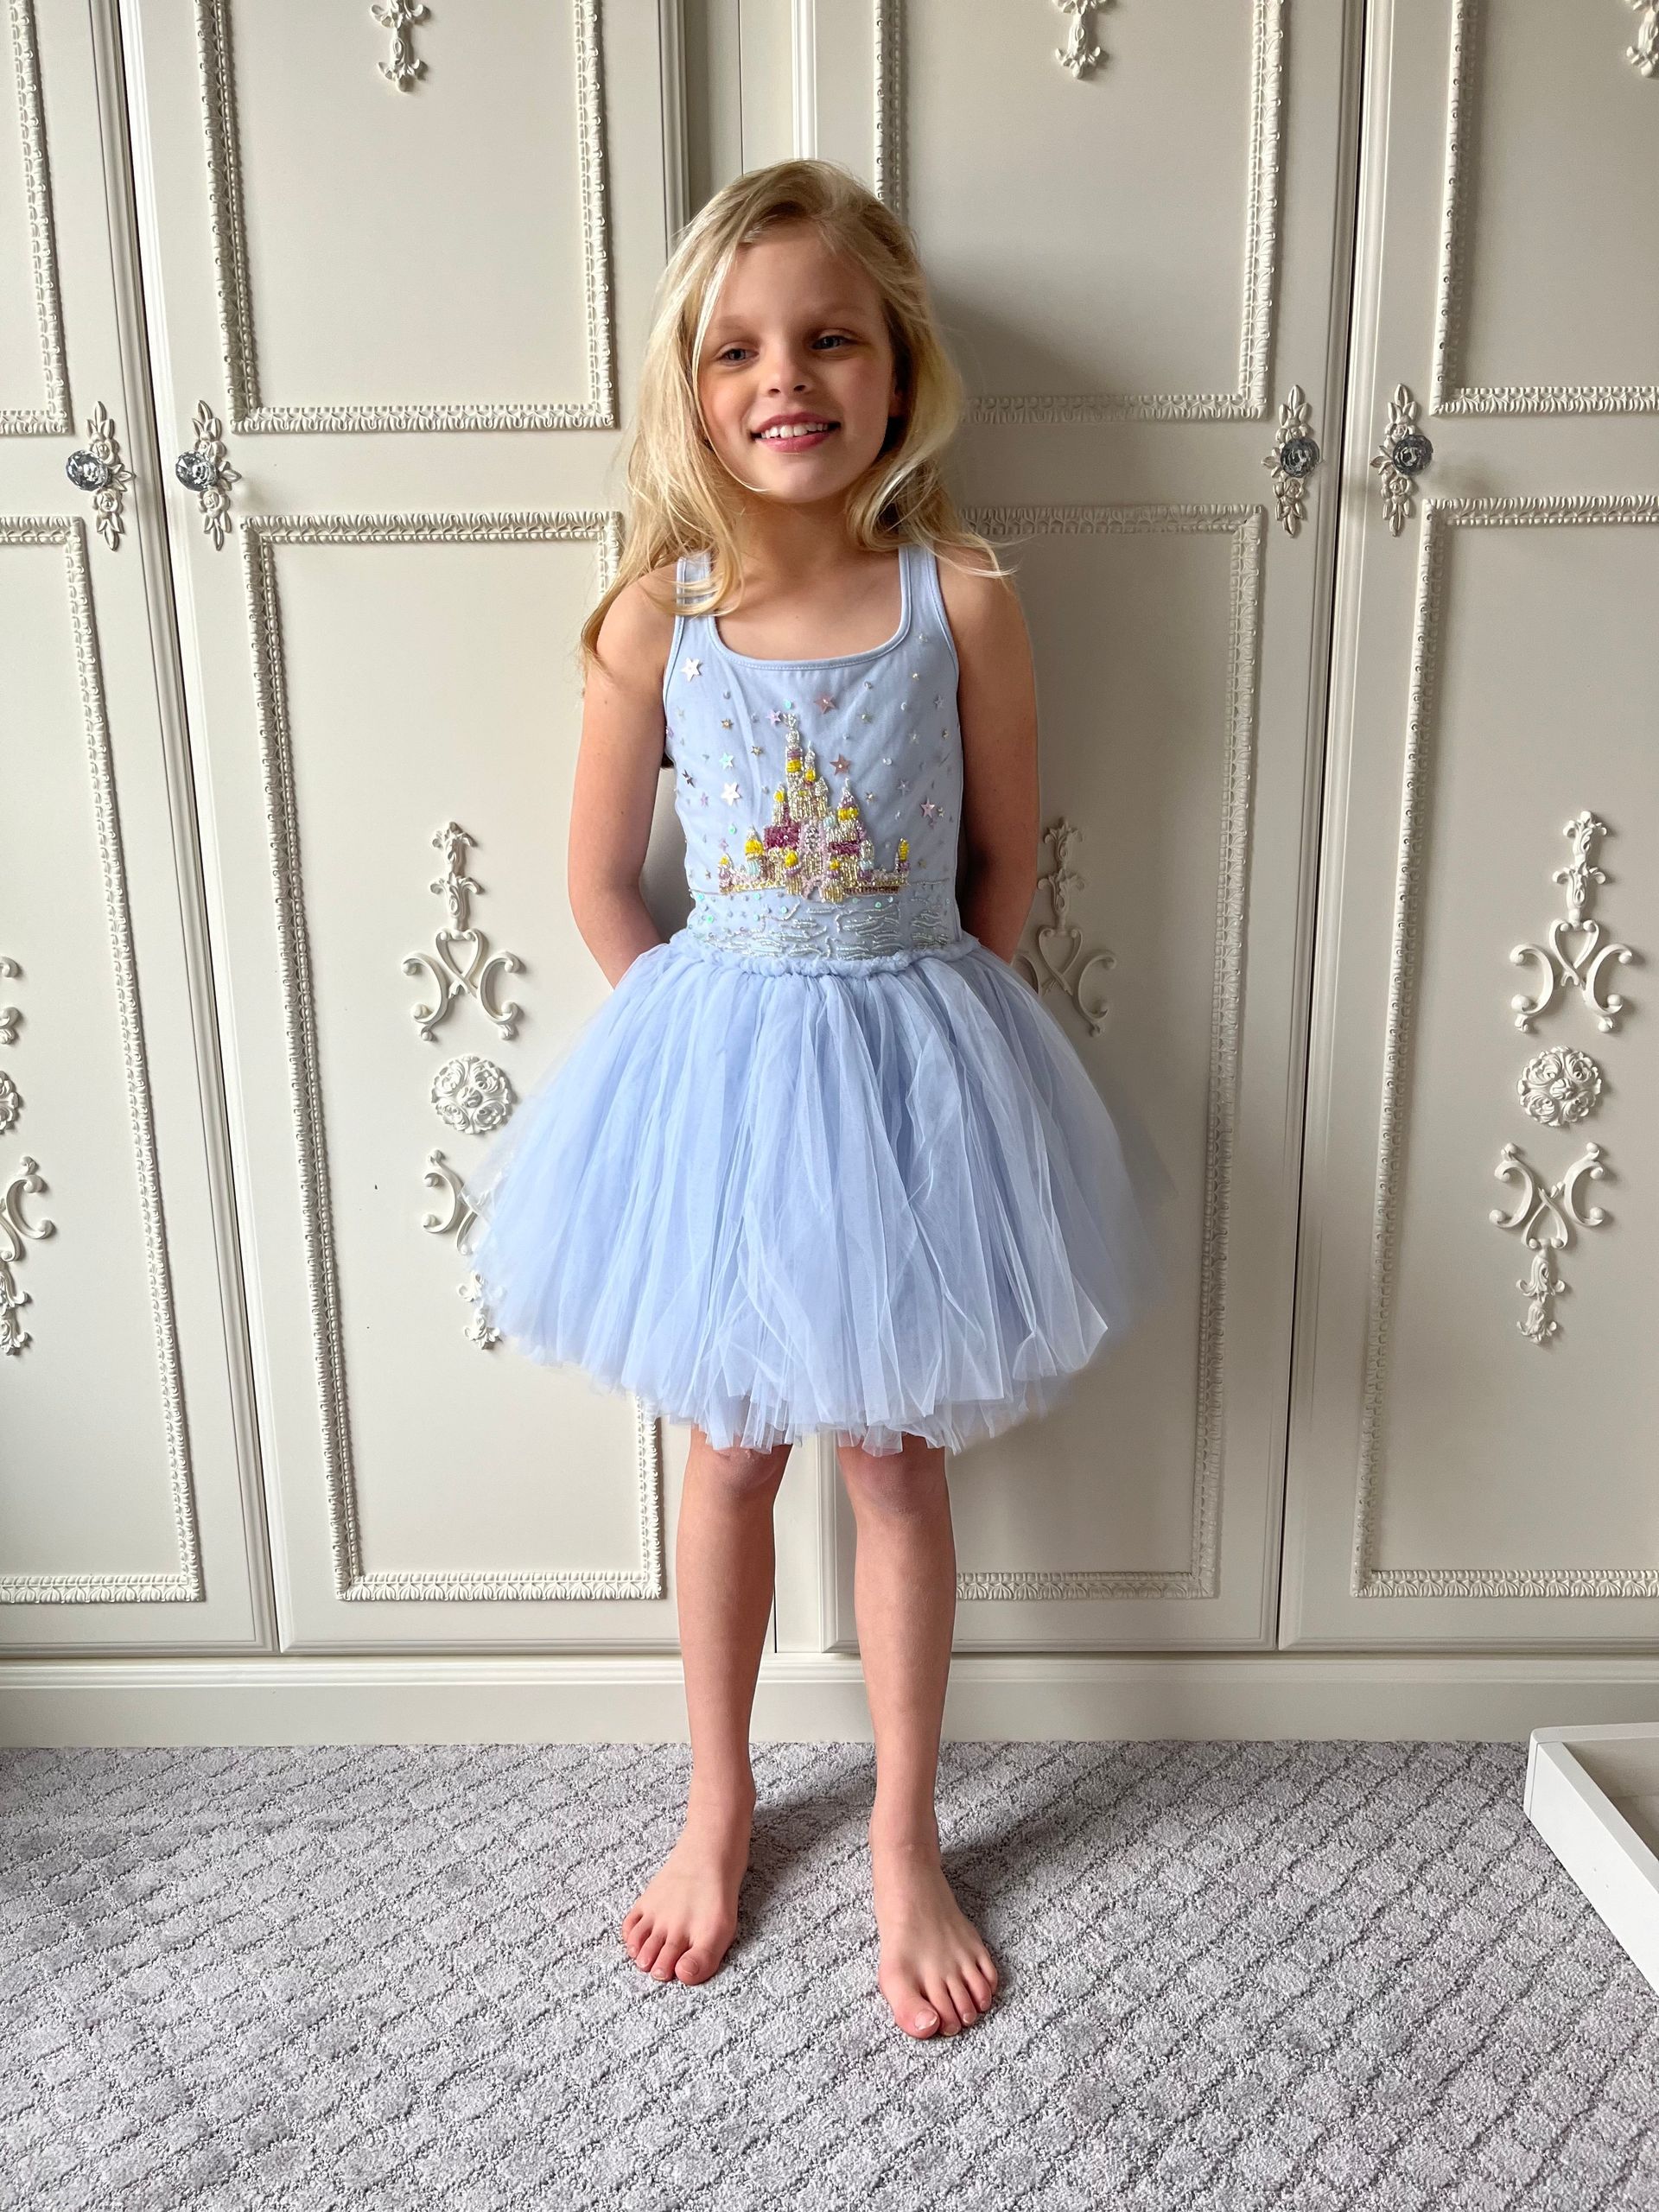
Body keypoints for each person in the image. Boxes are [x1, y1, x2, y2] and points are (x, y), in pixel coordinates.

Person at [464, 158, 1175, 2041]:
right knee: (728, 1451)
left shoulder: (962, 598)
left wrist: (935, 1046)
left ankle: (906, 1834)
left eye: (831, 335)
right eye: (739, 348)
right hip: (719, 1087)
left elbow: (1005, 865)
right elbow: (605, 879)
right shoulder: (658, 616)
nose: (788, 377)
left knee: (893, 1459)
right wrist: (702, 1043)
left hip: (916, 1074)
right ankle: (718, 1800)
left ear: (897, 361)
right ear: (691, 387)